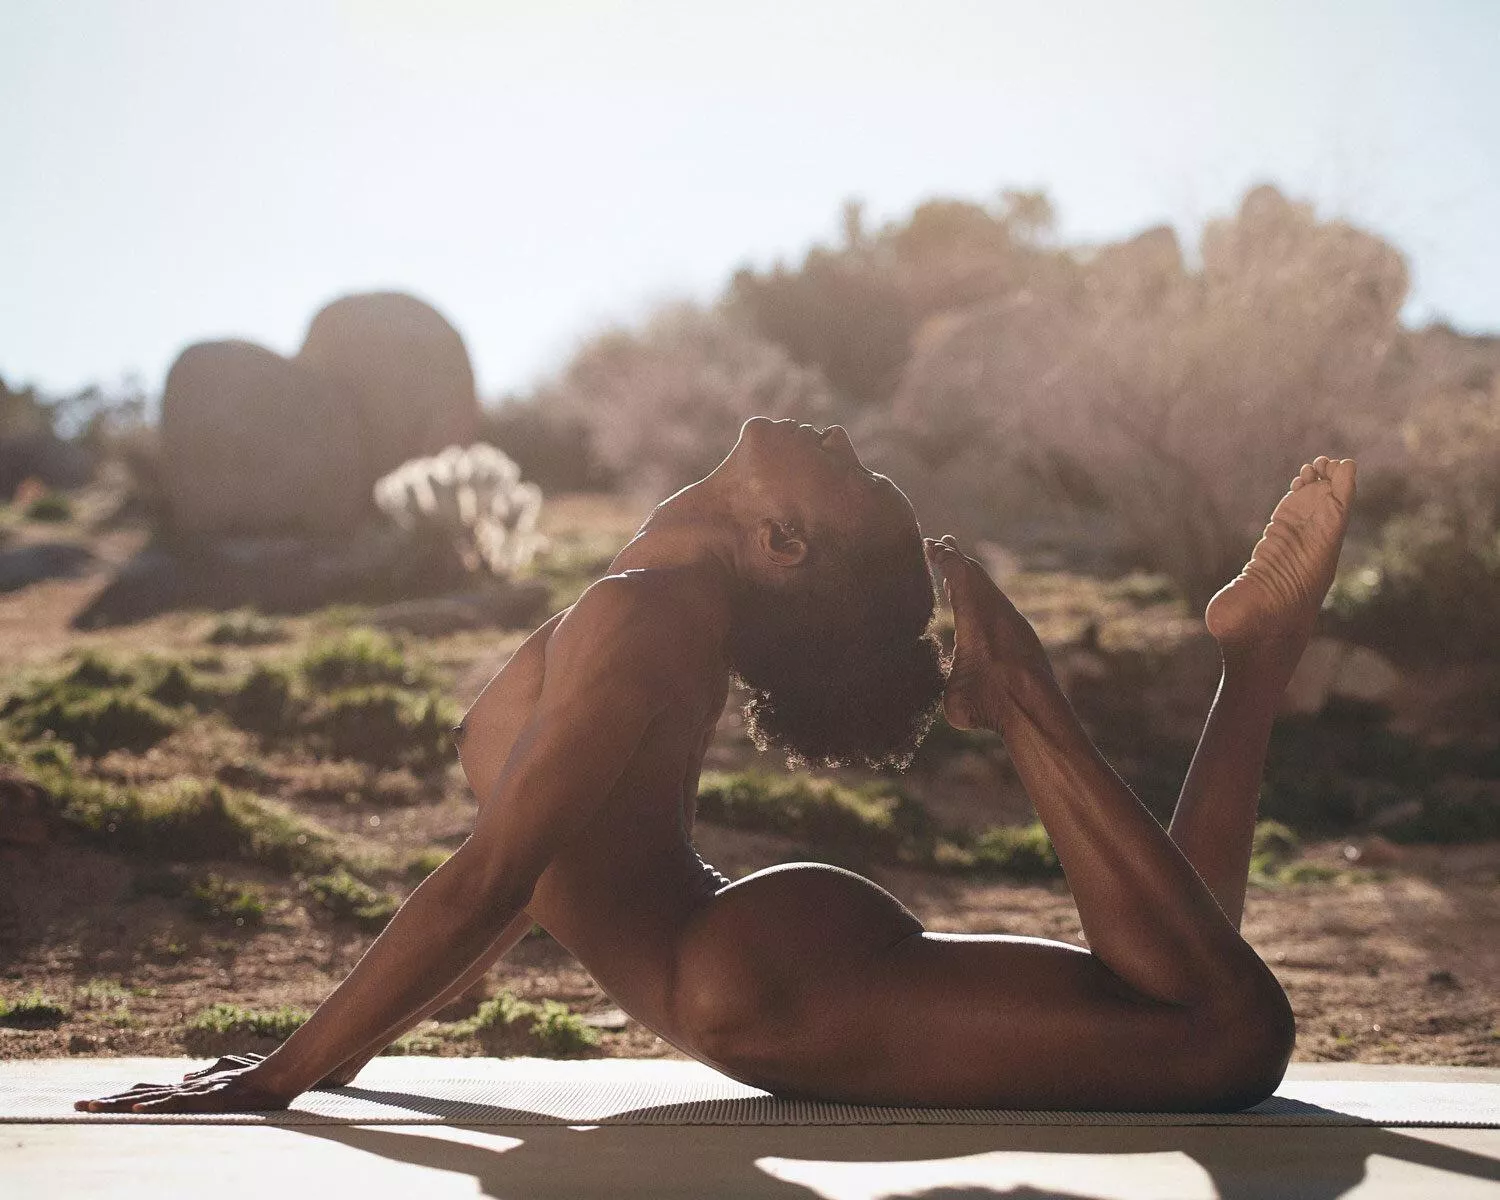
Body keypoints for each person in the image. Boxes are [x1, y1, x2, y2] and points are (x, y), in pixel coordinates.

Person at [78, 418, 1357, 1114]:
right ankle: (1253, 666)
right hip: (751, 965)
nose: (842, 438)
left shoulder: (648, 616)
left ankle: (1027, 703)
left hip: (756, 977)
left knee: (1226, 1035)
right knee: (1188, 1000)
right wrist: (359, 1053)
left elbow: (496, 876)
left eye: (850, 476)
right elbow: (516, 888)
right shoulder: (646, 607)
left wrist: (286, 1075)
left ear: (785, 541)